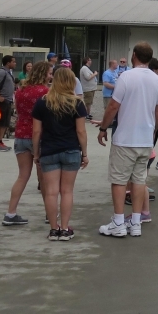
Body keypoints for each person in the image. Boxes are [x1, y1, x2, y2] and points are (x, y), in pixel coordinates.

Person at [97, 42, 158, 236]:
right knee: (139, 180)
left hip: (126, 138)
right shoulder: (156, 79)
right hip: (145, 137)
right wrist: (153, 129)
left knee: (119, 180)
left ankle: (118, 221)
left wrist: (103, 128)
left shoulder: (126, 76)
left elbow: (113, 106)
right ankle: (135, 222)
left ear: (134, 55)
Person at [32, 67, 89, 240]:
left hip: (49, 150)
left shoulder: (42, 102)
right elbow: (81, 131)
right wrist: (84, 153)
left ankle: (53, 228)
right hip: (71, 150)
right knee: (67, 191)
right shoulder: (77, 103)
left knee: (50, 192)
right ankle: (64, 228)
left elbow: (36, 132)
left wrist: (36, 154)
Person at [2, 60, 51, 227]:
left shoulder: (21, 90)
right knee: (44, 178)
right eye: (49, 73)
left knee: (23, 175)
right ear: (44, 73)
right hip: (39, 135)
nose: (51, 76)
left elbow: (19, 110)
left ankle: (11, 212)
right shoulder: (45, 92)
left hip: (21, 134)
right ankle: (49, 213)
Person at [80, 57, 98, 121]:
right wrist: (95, 74)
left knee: (90, 102)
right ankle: (86, 114)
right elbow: (88, 77)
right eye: (90, 60)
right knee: (88, 102)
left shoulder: (87, 68)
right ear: (87, 61)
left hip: (91, 88)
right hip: (88, 89)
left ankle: (88, 113)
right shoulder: (84, 68)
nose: (91, 61)